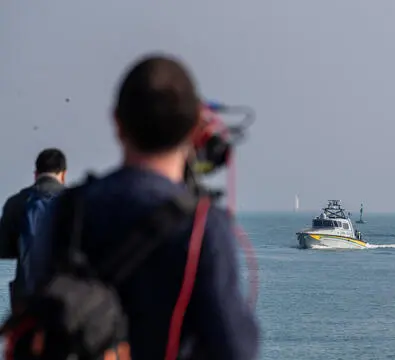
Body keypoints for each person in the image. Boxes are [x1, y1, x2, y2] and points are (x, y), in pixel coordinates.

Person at [28, 54, 259, 359]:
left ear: (117, 123)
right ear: (195, 130)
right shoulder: (203, 225)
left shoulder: (67, 210)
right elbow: (235, 347)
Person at [0, 148, 66, 309]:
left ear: (36, 174)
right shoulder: (74, 203)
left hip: (26, 301)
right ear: (63, 175)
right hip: (64, 300)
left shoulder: (16, 203)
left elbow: (3, 252)